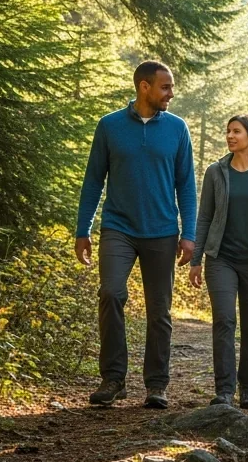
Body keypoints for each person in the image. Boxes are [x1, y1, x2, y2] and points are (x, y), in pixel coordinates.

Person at [75, 61, 197, 409]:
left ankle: (156, 384)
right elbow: (94, 180)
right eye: (165, 87)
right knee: (111, 294)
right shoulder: (110, 126)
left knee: (159, 310)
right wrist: (83, 229)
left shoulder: (177, 128)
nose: (171, 94)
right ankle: (113, 379)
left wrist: (188, 234)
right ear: (144, 87)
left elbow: (186, 185)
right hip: (119, 228)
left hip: (161, 232)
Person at [188, 115, 248, 410]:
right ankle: (224, 390)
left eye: (236, 131)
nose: (230, 136)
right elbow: (205, 216)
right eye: (228, 131)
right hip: (221, 258)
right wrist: (196, 259)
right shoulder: (216, 171)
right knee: (224, 320)